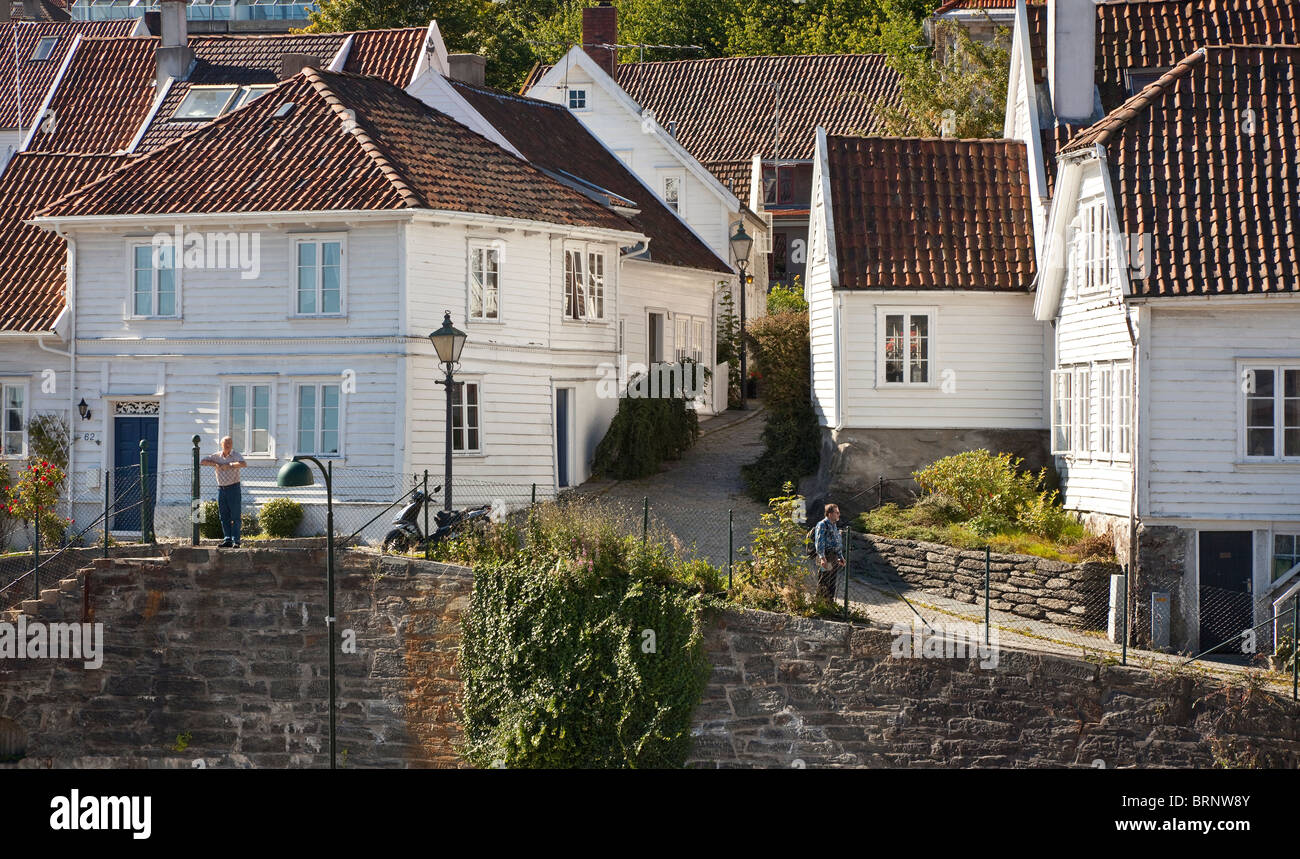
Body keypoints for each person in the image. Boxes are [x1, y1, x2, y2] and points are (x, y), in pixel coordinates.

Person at [201, 436, 247, 548]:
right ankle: (227, 540)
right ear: (221, 445)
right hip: (221, 489)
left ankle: (236, 541)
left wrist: (229, 465)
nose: (228, 445)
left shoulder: (235, 455)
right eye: (226, 443)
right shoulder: (217, 456)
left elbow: (243, 464)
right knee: (223, 516)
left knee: (235, 516)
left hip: (233, 488)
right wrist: (215, 464)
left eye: (230, 443)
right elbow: (202, 461)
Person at [813, 503, 845, 601]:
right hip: (826, 556)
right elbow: (819, 542)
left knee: (832, 581)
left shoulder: (834, 525)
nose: (839, 514)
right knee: (824, 580)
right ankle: (819, 604)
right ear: (830, 514)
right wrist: (822, 558)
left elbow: (836, 542)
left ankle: (829, 604)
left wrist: (840, 557)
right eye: (837, 512)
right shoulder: (822, 524)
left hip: (833, 557)